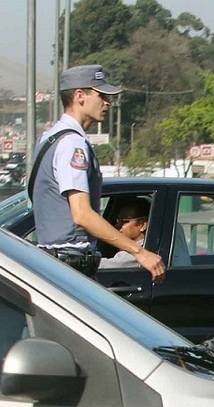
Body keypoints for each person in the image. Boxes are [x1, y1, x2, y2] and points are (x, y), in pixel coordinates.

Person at [30, 65, 164, 282]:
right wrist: (139, 252)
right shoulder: (72, 144)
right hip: (70, 263)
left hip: (56, 260)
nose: (107, 103)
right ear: (80, 96)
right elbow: (81, 214)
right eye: (101, 95)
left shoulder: (50, 137)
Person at [100, 196, 151, 269]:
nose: (117, 226)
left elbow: (106, 265)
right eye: (117, 221)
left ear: (142, 225)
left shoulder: (141, 252)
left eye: (124, 221)